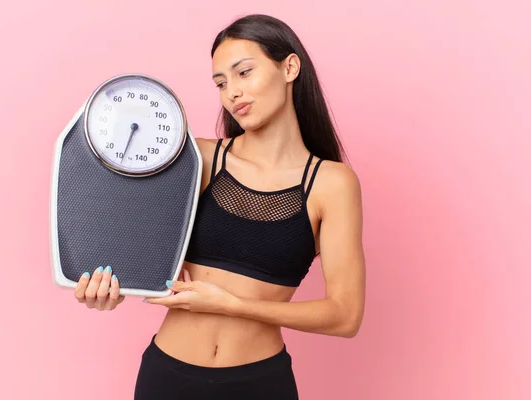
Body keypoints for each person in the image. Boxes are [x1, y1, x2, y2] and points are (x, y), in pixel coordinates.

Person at [73, 13, 366, 400]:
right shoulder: (200, 159)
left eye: (244, 73)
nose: (233, 93)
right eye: (221, 83)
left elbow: (345, 316)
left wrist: (235, 306)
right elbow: (124, 229)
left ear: (290, 66)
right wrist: (109, 286)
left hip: (261, 384)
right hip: (168, 377)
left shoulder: (332, 184)